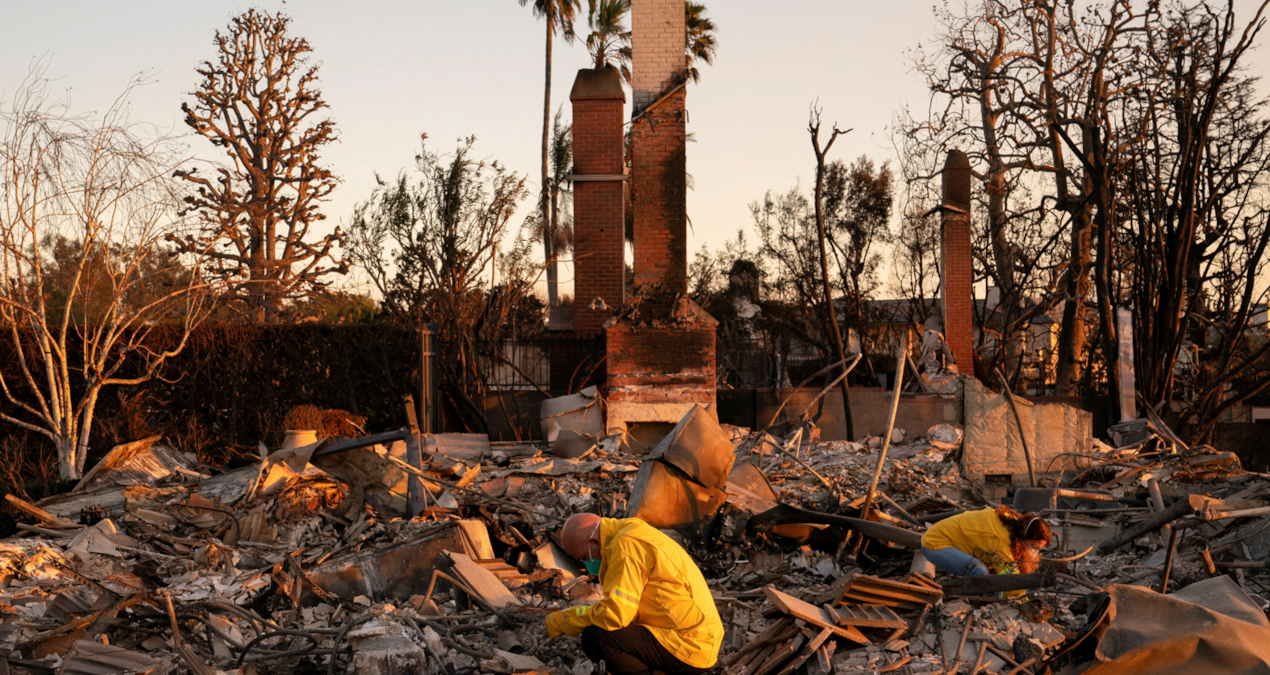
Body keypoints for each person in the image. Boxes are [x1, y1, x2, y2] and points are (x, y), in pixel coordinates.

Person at [545, 513, 723, 675]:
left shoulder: (624, 547)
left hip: (689, 645)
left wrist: (566, 620)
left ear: (595, 543)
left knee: (596, 639)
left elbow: (615, 615)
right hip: (698, 638)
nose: (587, 563)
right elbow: (626, 608)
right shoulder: (631, 530)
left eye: (584, 557)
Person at [920, 506, 1052, 583]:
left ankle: (991, 600)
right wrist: (1022, 598)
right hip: (935, 543)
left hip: (948, 537)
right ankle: (984, 605)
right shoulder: (999, 540)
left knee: (994, 570)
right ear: (1025, 536)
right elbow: (1009, 580)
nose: (1034, 551)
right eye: (1034, 546)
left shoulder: (1014, 523)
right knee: (980, 571)